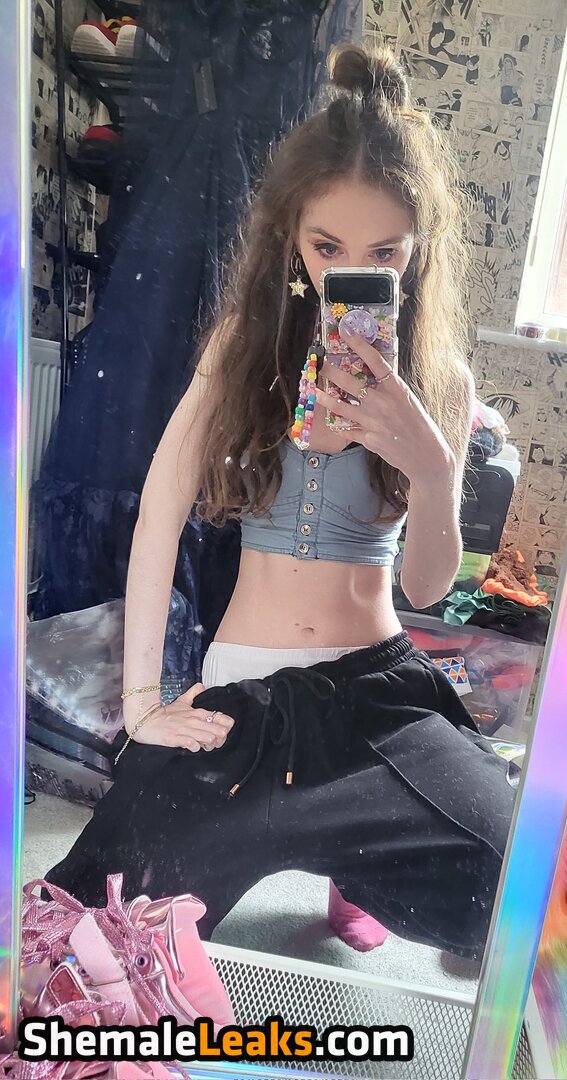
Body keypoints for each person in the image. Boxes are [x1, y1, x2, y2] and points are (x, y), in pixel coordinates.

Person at [46, 45, 515, 960]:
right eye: (327, 247)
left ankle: (351, 865)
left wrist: (430, 464)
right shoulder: (243, 349)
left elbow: (425, 590)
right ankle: (316, 843)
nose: (352, 272)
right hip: (244, 699)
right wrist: (141, 705)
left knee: (513, 898)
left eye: (384, 252)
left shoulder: (442, 382)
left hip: (377, 694)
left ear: (418, 249)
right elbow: (159, 512)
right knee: (90, 938)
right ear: (290, 239)